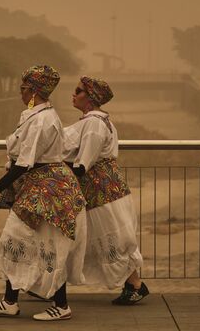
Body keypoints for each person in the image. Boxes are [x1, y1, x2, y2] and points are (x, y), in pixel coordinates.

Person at [0, 65, 87, 321]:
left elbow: (24, 162)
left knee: (46, 245)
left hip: (46, 190)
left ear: (35, 91)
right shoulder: (35, 115)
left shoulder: (41, 120)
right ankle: (10, 301)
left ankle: (60, 306)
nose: (20, 91)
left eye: (24, 88)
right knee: (19, 241)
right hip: (41, 187)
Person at [62, 76, 149, 305]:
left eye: (78, 91)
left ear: (90, 98)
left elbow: (83, 163)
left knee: (112, 237)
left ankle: (135, 284)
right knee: (109, 236)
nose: (74, 94)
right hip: (107, 188)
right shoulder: (98, 121)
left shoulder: (93, 124)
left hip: (101, 190)